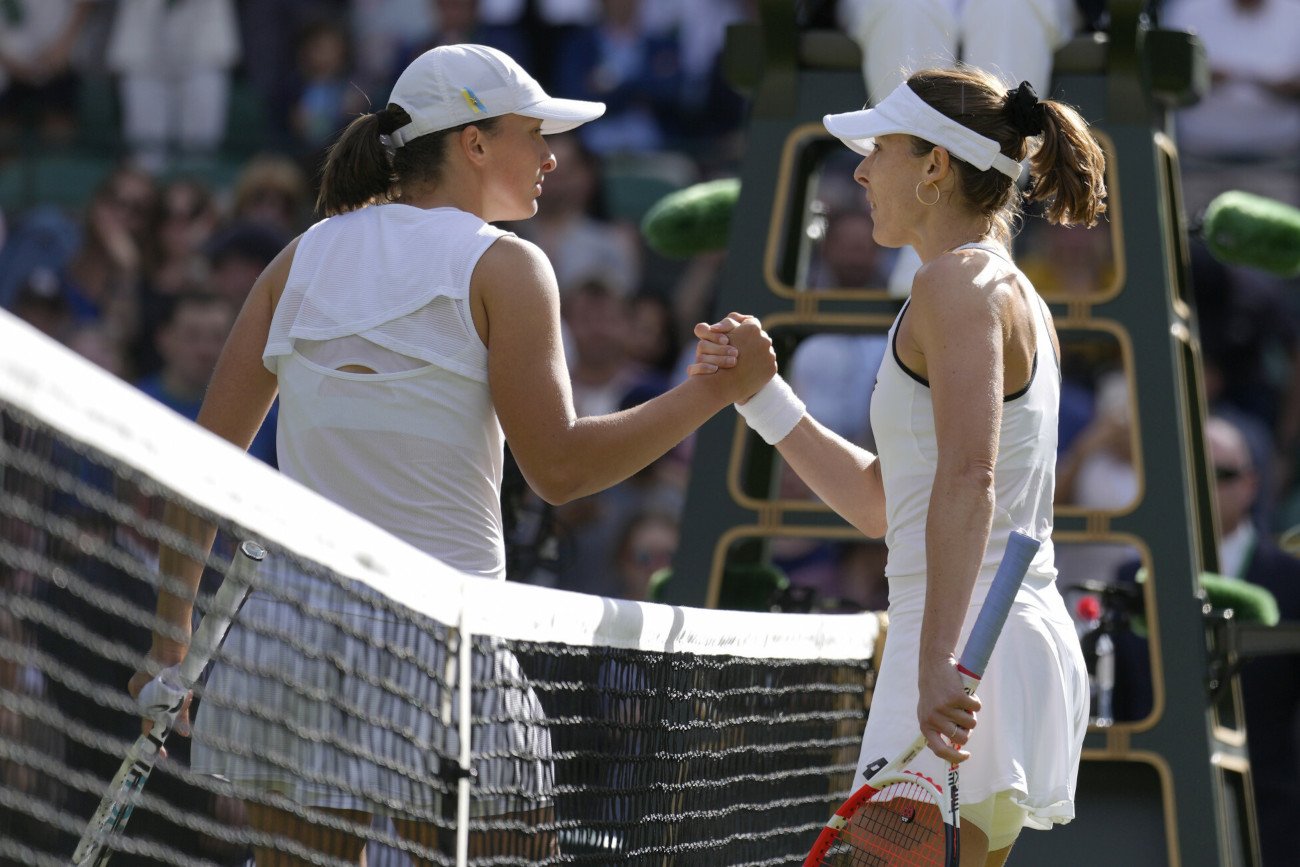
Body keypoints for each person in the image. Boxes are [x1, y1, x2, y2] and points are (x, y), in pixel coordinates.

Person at [127, 42, 773, 865]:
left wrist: (169, 638)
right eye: (533, 134)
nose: (551, 156)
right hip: (443, 647)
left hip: (288, 645)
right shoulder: (506, 266)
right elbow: (561, 468)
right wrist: (714, 391)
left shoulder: (300, 257)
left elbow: (203, 466)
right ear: (473, 142)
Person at [695, 65, 1104, 865]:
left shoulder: (958, 284)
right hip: (981, 640)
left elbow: (967, 479)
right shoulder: (993, 288)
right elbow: (889, 504)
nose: (859, 169)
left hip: (964, 644)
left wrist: (937, 663)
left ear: (934, 167)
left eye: (877, 147)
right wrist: (764, 395)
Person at [1110, 415, 1299, 865]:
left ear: (1251, 485)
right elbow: (1118, 699)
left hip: (1270, 821)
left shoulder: (1292, 581)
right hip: (1155, 819)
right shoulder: (1132, 580)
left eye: (1225, 474)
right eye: (1196, 474)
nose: (1210, 487)